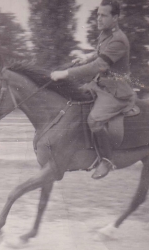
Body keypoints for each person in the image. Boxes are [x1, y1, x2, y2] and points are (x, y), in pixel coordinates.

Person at [51, 0, 135, 179]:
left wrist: (66, 73)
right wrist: (85, 58)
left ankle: (106, 160)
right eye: (98, 14)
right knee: (74, 102)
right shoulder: (105, 34)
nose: (99, 19)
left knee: (94, 120)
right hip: (100, 85)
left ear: (115, 18)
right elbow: (99, 54)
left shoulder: (119, 39)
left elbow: (99, 65)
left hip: (116, 92)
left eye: (104, 15)